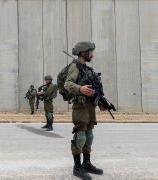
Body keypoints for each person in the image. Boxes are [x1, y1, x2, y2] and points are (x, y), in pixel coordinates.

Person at [64, 41, 105, 179]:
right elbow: (68, 84)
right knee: (80, 137)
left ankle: (86, 163)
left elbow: (94, 88)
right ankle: (77, 167)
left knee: (89, 136)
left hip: (89, 106)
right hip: (80, 107)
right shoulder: (75, 66)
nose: (92, 54)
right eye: (90, 52)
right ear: (83, 52)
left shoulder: (87, 69)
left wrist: (100, 102)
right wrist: (80, 88)